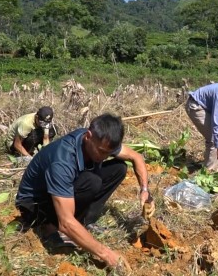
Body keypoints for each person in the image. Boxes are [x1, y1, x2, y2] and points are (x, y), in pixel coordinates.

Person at [15, 113, 154, 270]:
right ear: (88, 136)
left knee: (119, 168)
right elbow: (66, 223)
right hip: (35, 204)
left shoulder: (99, 140)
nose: (105, 157)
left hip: (63, 188)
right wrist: (107, 254)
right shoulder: (63, 160)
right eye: (102, 151)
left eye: (109, 152)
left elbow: (136, 157)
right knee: (92, 182)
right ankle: (49, 227)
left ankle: (84, 222)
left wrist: (145, 190)